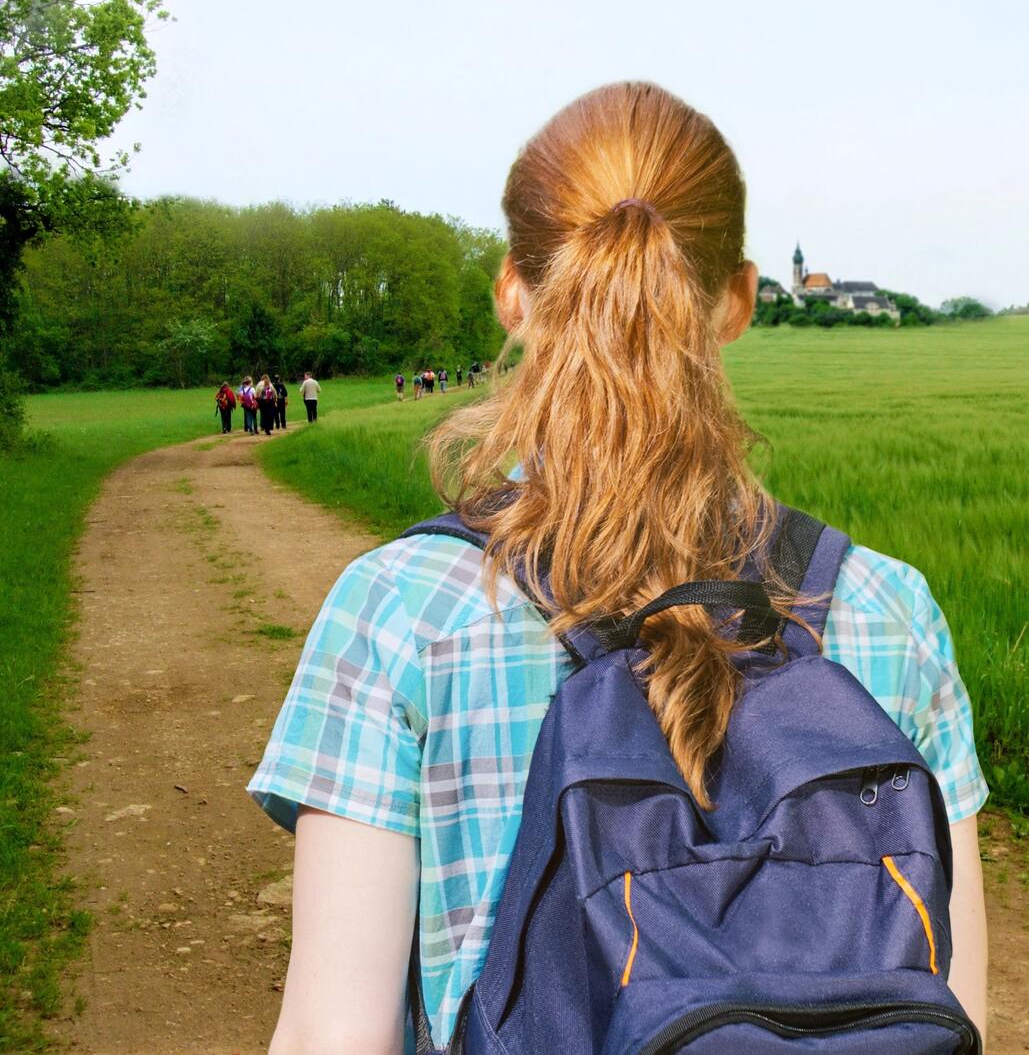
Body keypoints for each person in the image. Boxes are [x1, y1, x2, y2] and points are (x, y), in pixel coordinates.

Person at [249, 83, 988, 1054]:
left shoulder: (400, 613)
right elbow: (956, 1009)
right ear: (738, 299)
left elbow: (332, 1037)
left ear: (512, 292)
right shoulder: (885, 608)